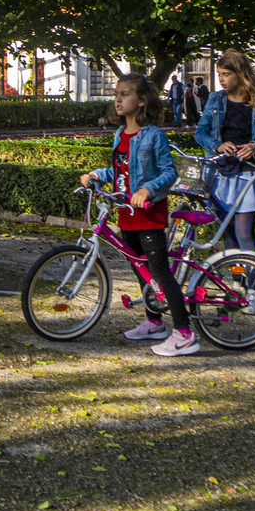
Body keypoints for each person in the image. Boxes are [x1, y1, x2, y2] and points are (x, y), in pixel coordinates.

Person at [81, 74, 194, 356]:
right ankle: (154, 322)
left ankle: (184, 333)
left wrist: (147, 189)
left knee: (159, 272)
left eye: (125, 94)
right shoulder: (120, 134)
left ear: (141, 101)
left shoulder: (154, 135)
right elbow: (121, 170)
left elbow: (169, 173)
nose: (118, 99)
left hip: (148, 212)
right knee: (139, 268)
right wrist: (97, 174)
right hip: (126, 212)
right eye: (117, 94)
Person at [195, 49, 255, 311]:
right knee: (227, 233)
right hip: (219, 173)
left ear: (241, 74)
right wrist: (216, 145)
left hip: (248, 173)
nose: (221, 80)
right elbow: (200, 134)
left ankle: (254, 291)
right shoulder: (215, 100)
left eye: (226, 74)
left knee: (244, 233)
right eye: (219, 75)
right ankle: (236, 283)